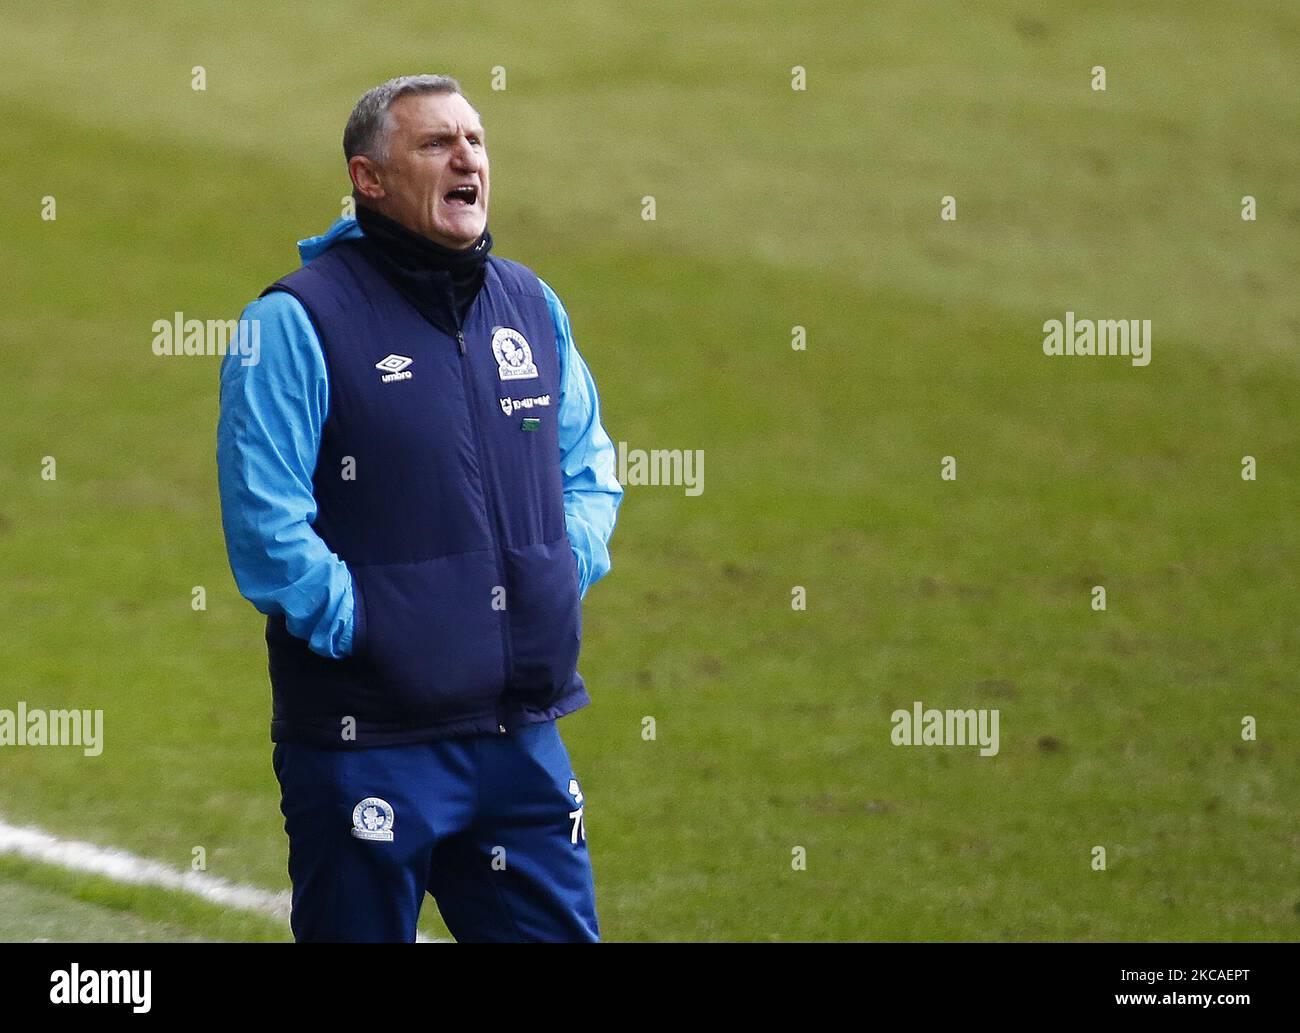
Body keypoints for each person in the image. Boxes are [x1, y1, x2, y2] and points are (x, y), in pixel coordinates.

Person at [215, 74, 623, 942]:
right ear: (368, 179)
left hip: (519, 736)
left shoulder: (530, 305)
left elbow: (589, 470)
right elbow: (267, 526)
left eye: (474, 140)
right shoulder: (296, 322)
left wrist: (556, 566)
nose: (466, 156)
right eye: (436, 143)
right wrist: (374, 626)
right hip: (370, 741)